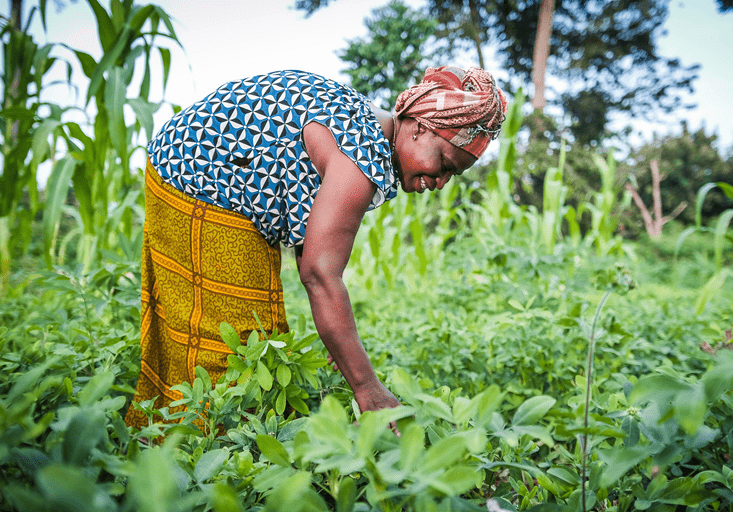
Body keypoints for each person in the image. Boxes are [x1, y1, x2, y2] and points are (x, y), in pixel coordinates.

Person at [124, 66, 507, 429]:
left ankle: (179, 443)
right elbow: (320, 275)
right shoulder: (360, 156)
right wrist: (366, 387)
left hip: (196, 167)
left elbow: (312, 249)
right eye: (443, 163)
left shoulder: (364, 127)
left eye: (450, 176)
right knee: (230, 351)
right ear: (419, 128)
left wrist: (341, 349)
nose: (439, 182)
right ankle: (187, 463)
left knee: (260, 342)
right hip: (199, 174)